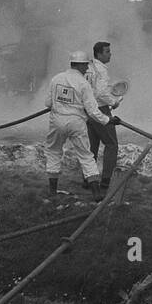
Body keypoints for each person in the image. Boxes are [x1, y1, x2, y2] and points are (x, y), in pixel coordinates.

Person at [44, 50, 115, 203]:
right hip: (76, 122)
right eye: (86, 66)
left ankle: (52, 191)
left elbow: (48, 103)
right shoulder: (83, 83)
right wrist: (108, 120)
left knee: (53, 152)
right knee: (86, 156)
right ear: (81, 65)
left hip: (57, 120)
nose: (87, 69)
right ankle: (96, 193)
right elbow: (93, 111)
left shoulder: (56, 78)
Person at [85, 40, 123, 197]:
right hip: (100, 109)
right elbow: (100, 93)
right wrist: (114, 102)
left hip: (88, 110)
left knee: (91, 147)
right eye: (107, 51)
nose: (110, 54)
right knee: (111, 144)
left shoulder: (87, 67)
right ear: (99, 54)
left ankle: (88, 179)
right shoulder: (102, 70)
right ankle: (106, 181)